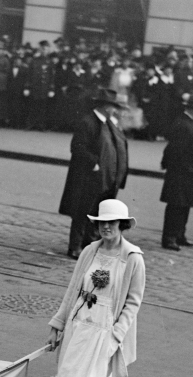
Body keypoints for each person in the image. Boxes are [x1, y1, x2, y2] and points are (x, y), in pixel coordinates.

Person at [43, 199, 145, 377]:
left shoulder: (133, 258)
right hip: (79, 326)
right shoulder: (89, 251)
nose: (106, 227)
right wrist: (58, 323)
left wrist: (117, 334)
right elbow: (73, 289)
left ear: (122, 225)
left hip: (105, 331)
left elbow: (133, 303)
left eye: (112, 222)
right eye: (102, 222)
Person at [58, 88, 129, 259]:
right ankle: (75, 246)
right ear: (105, 107)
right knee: (83, 212)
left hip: (106, 179)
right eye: (113, 107)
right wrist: (94, 163)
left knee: (99, 213)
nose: (115, 110)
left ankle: (89, 243)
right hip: (90, 177)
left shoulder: (108, 123)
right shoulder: (88, 122)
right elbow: (77, 147)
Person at [159, 93, 193, 251]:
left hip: (187, 175)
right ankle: (170, 238)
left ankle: (179, 235)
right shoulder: (183, 124)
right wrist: (191, 169)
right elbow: (175, 152)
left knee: (184, 206)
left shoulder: (189, 122)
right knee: (176, 207)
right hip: (182, 175)